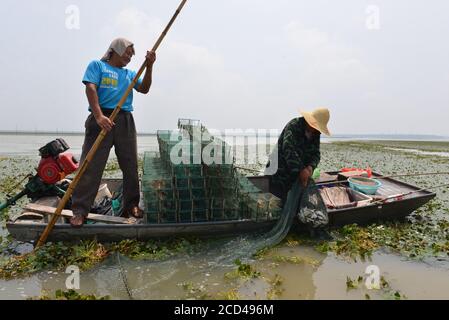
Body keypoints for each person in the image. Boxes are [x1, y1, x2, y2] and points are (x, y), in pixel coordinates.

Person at [70, 38, 156, 228]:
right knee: (90, 165)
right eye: (127, 53)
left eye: (131, 55)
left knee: (130, 165)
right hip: (101, 119)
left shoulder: (130, 74)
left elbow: (144, 89)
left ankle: (131, 205)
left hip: (124, 119)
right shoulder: (97, 66)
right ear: (115, 50)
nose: (129, 58)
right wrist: (99, 116)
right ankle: (80, 211)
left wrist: (149, 66)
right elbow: (90, 88)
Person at [265, 108, 331, 238]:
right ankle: (278, 228)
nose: (317, 130)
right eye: (316, 126)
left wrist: (310, 168)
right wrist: (301, 171)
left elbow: (316, 154)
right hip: (279, 173)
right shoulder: (294, 126)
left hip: (298, 175)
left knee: (295, 205)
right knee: (278, 205)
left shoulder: (315, 133)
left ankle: (293, 226)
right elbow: (288, 150)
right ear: (310, 122)